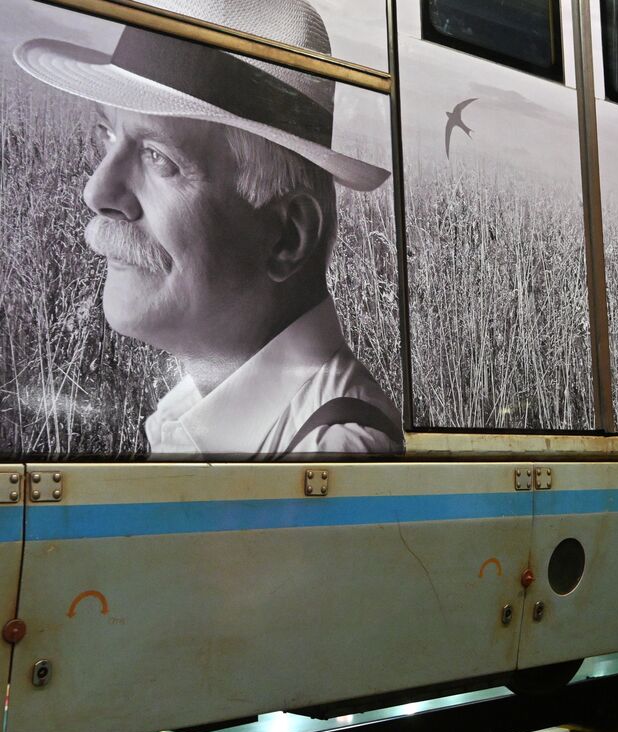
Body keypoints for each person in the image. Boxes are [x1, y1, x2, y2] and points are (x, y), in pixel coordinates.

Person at [14, 0, 403, 458]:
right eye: (107, 135)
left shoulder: (333, 454)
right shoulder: (188, 415)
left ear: (287, 237)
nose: (96, 191)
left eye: (159, 157)